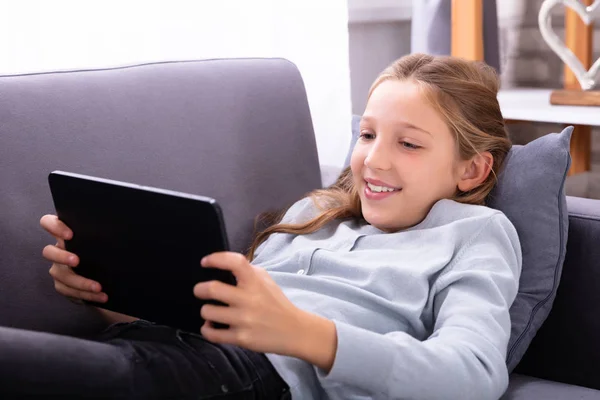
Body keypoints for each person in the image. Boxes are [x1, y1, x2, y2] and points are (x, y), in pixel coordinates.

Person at [10, 53, 520, 399]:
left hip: (258, 376)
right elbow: (212, 321)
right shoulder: (311, 214)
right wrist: (104, 295)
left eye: (408, 144)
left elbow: (474, 375)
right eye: (366, 134)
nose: (373, 161)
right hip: (176, 348)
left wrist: (306, 335)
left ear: (471, 168)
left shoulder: (476, 233)